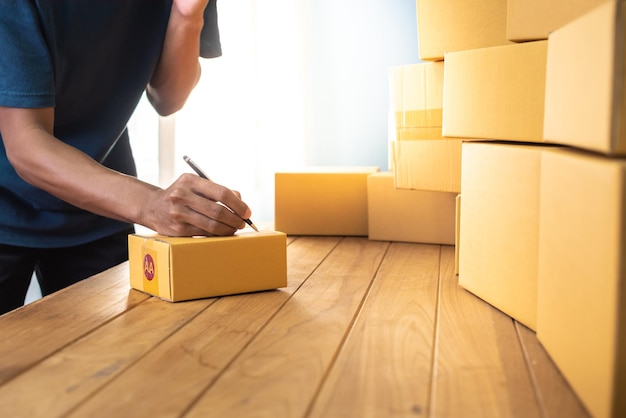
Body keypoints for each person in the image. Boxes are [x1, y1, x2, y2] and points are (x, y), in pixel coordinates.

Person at [0, 0, 253, 315]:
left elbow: (168, 98)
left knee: (111, 358)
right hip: (7, 204)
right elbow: (26, 144)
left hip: (101, 207)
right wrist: (149, 204)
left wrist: (187, 13)